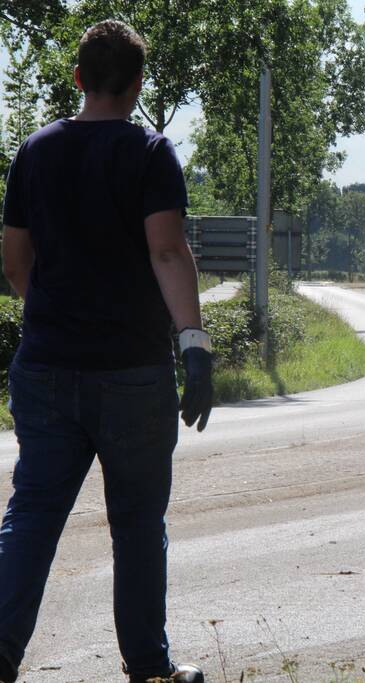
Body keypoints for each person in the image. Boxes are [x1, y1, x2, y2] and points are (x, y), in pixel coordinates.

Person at [0, 20, 211, 683]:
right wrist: (194, 344)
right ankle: (148, 666)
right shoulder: (149, 154)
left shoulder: (34, 152)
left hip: (45, 365)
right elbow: (168, 250)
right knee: (137, 524)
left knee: (31, 514)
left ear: (78, 78)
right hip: (132, 371)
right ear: (138, 85)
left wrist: (57, 311)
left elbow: (14, 260)